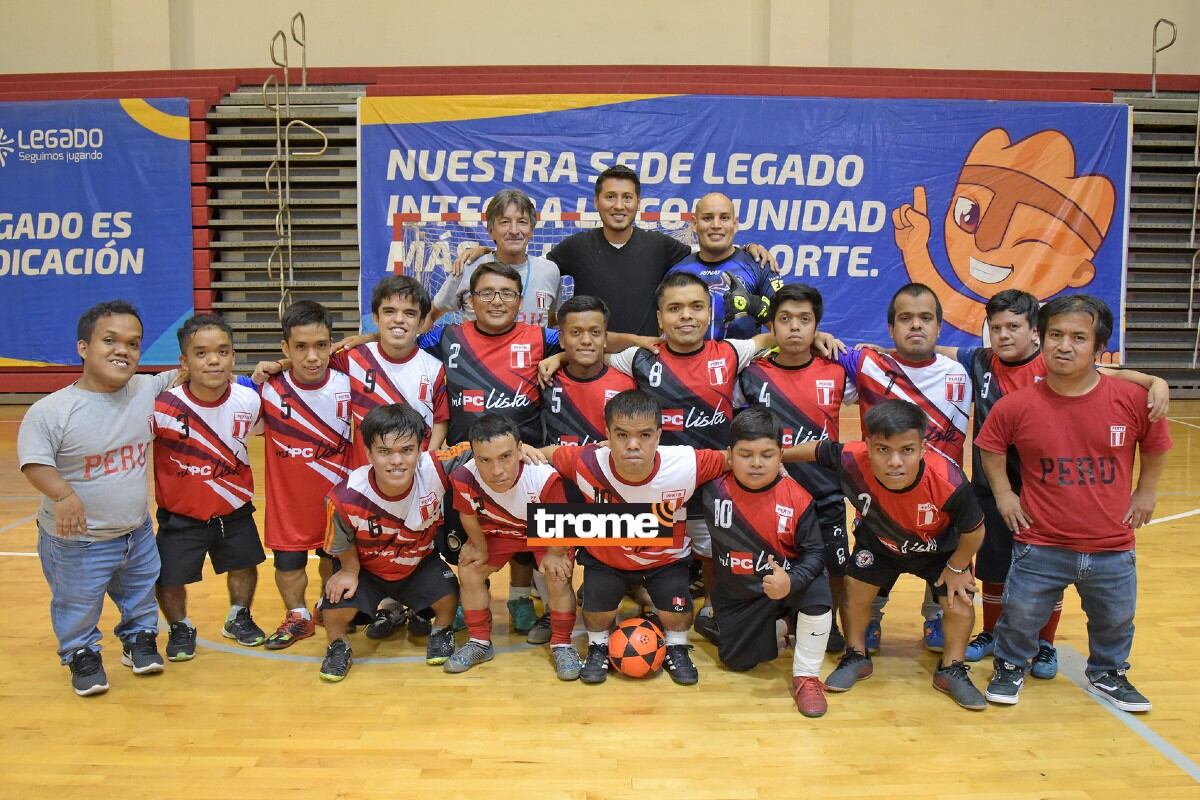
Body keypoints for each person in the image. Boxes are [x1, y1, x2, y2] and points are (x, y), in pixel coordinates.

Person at [938, 289, 1170, 676]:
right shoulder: (981, 361)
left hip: (1042, 490)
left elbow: (1115, 373)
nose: (1004, 335)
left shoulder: (1053, 366)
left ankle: (1044, 644)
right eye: (996, 328)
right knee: (993, 567)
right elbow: (932, 350)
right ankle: (993, 632)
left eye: (1014, 327)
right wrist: (865, 349)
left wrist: (1154, 380)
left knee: (1046, 571)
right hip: (994, 488)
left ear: (1034, 332)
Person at [18, 300, 176, 695]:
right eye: (110, 340)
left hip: (135, 531)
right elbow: (35, 463)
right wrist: (64, 494)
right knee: (77, 602)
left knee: (141, 591)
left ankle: (139, 639)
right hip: (77, 540)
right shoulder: (51, 410)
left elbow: (194, 369)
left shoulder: (147, 387)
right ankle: (80, 653)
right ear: (83, 347)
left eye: (133, 343)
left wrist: (266, 369)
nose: (123, 350)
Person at [792, 400, 988, 711]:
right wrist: (776, 456)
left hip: (938, 549)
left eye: (907, 450)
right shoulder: (851, 458)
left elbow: (975, 531)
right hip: (880, 544)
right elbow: (818, 450)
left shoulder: (948, 481)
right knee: (854, 588)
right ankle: (856, 656)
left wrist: (957, 567)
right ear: (868, 446)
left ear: (923, 447)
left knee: (958, 598)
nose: (895, 461)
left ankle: (952, 669)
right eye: (883, 449)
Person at [545, 390, 731, 686]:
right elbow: (546, 455)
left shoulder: (686, 464)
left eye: (644, 435)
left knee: (677, 613)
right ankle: (597, 646)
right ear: (607, 434)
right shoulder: (586, 461)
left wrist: (777, 468)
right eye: (621, 435)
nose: (633, 445)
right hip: (606, 557)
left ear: (659, 435)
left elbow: (733, 458)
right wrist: (525, 451)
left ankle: (678, 646)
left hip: (665, 560)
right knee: (597, 611)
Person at [457, 165, 776, 336]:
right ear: (596, 202)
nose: (619, 205)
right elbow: (529, 265)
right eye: (610, 197)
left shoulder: (662, 246)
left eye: (627, 198)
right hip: (590, 356)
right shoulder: (576, 246)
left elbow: (710, 254)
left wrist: (746, 249)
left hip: (646, 357)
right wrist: (491, 249)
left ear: (638, 203)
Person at [839, 282, 971, 653]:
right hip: (882, 497)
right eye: (906, 318)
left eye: (925, 318)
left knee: (945, 555)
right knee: (875, 555)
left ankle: (936, 618)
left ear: (939, 327)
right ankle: (872, 619)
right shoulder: (867, 364)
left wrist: (1144, 378)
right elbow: (807, 346)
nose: (916, 326)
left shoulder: (963, 371)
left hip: (941, 500)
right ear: (891, 328)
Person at [738, 283, 855, 653]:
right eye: (785, 319)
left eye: (805, 320)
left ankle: (832, 623)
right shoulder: (752, 374)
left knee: (836, 567)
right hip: (771, 494)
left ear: (817, 326)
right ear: (772, 325)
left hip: (826, 492)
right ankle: (783, 617)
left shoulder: (837, 371)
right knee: (777, 562)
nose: (794, 328)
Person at [318, 404, 470, 682]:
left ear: (420, 449)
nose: (396, 460)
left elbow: (480, 447)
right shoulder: (344, 497)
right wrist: (350, 570)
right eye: (385, 452)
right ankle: (338, 646)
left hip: (419, 564)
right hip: (369, 572)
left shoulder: (434, 468)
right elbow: (341, 542)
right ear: (369, 454)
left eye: (407, 450)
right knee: (334, 602)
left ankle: (442, 630)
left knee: (449, 590)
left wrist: (520, 447)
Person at [700, 407, 833, 717]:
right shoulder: (711, 488)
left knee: (817, 588)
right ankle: (788, 625)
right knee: (736, 661)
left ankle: (807, 677)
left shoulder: (798, 498)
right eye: (746, 454)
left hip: (787, 586)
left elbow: (815, 555)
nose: (757, 463)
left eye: (767, 454)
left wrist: (792, 581)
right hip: (739, 596)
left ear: (781, 455)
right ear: (730, 455)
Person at [151, 314, 267, 660]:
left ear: (233, 356)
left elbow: (262, 432)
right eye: (201, 353)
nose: (213, 360)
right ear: (184, 362)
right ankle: (180, 626)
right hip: (181, 513)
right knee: (169, 577)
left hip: (233, 509)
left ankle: (238, 616)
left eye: (222, 351)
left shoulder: (248, 400)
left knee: (245, 565)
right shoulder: (163, 407)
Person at [444, 414, 580, 679]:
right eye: (485, 460)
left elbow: (561, 523)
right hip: (500, 531)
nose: (496, 470)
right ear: (474, 455)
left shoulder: (542, 477)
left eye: (505, 457)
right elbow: (468, 516)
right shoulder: (463, 477)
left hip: (545, 530)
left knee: (557, 573)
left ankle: (562, 643)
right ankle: (480, 642)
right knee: (470, 569)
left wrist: (555, 554)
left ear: (520, 450)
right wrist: (481, 548)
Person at [254, 300, 354, 650]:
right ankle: (297, 617)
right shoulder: (265, 389)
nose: (312, 356)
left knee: (333, 558)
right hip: (288, 502)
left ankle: (328, 606)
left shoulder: (349, 384)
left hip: (335, 499)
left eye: (321, 346)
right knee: (289, 561)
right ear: (285, 348)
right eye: (300, 347)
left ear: (332, 344)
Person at [432, 189, 562, 327]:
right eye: (505, 222)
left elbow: (552, 323)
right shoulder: (468, 267)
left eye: (522, 222)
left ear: (531, 230)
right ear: (490, 230)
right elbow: (431, 315)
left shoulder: (549, 271)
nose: (514, 230)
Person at [668, 192, 781, 340]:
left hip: (745, 362)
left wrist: (755, 306)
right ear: (695, 224)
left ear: (735, 224)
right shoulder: (677, 272)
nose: (716, 225)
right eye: (707, 218)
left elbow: (787, 327)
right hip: (689, 363)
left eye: (724, 218)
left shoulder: (760, 265)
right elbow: (662, 328)